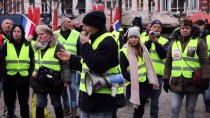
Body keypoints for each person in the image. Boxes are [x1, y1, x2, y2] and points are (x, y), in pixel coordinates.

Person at [57, 11, 126, 118]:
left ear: (95, 25)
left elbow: (97, 65)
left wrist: (85, 45)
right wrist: (71, 58)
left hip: (102, 99)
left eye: (86, 25)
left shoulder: (108, 41)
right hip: (89, 98)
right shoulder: (94, 39)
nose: (83, 28)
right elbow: (87, 63)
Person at [163, 18, 210, 118]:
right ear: (179, 29)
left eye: (187, 28)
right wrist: (166, 79)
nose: (185, 30)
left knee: (190, 109)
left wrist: (206, 78)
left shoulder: (199, 42)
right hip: (176, 81)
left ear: (191, 29)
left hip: (193, 82)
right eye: (183, 28)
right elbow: (168, 63)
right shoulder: (173, 43)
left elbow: (205, 62)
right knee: (174, 108)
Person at [30, 25, 70, 118]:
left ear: (49, 35)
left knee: (56, 103)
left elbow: (65, 63)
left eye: (42, 34)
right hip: (39, 81)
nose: (39, 36)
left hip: (54, 81)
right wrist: (31, 77)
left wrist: (66, 78)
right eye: (38, 34)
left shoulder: (58, 46)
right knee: (40, 104)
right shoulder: (35, 46)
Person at [120, 27, 158, 118]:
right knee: (138, 108)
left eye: (135, 37)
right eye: (131, 37)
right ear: (128, 38)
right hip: (134, 84)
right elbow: (124, 71)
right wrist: (133, 79)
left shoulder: (143, 48)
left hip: (144, 82)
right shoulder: (124, 51)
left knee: (141, 108)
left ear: (139, 38)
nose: (133, 39)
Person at [0, 24, 34, 118]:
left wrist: (29, 74)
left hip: (23, 78)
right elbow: (1, 60)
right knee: (9, 103)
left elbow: (32, 61)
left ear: (22, 33)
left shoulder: (27, 45)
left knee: (24, 103)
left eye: (18, 31)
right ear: (12, 33)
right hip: (9, 79)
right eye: (14, 31)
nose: (16, 33)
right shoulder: (6, 44)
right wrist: (4, 74)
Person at [142, 20, 170, 118]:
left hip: (158, 76)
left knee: (154, 102)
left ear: (161, 29)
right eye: (154, 26)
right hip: (144, 75)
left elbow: (163, 55)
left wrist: (156, 42)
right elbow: (142, 53)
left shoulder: (165, 41)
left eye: (158, 27)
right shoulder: (143, 39)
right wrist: (149, 40)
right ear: (150, 28)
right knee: (141, 101)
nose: (156, 28)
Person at [54, 17, 80, 117]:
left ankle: (74, 110)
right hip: (60, 65)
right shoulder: (55, 34)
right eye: (68, 22)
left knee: (73, 88)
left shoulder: (76, 34)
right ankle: (66, 108)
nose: (71, 23)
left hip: (73, 64)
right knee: (63, 88)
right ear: (63, 23)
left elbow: (79, 49)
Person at [194, 19, 210, 113]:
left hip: (207, 65)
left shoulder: (208, 37)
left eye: (201, 25)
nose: (199, 27)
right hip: (196, 66)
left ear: (204, 26)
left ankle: (207, 103)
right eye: (197, 25)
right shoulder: (193, 37)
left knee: (207, 86)